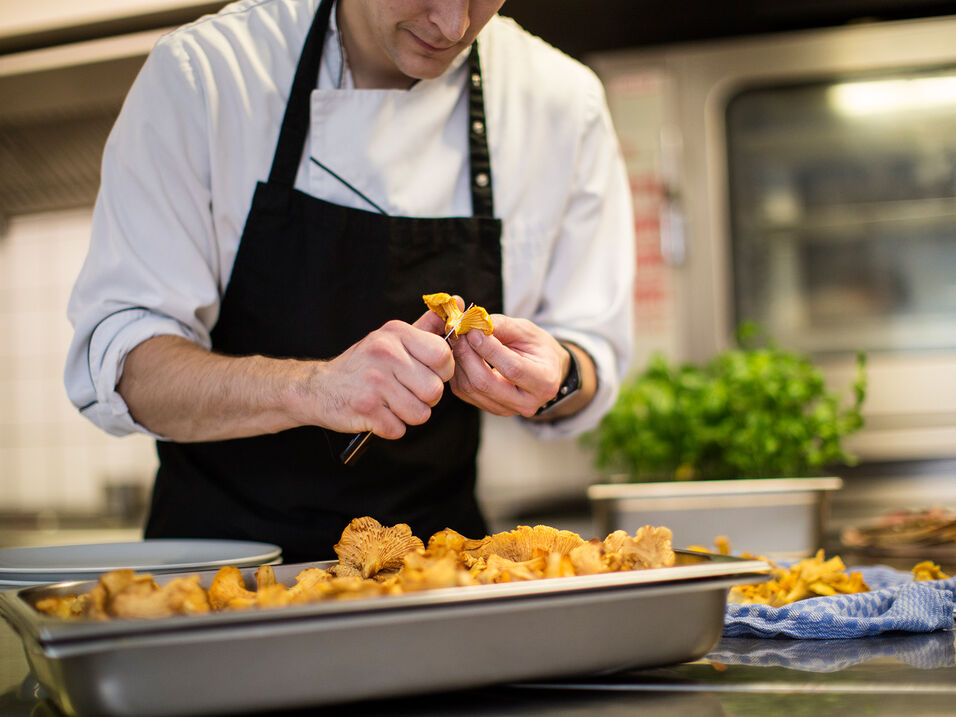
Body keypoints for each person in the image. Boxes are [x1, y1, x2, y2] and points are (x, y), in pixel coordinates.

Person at [65, 0, 634, 562]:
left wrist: (556, 375)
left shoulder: (561, 102)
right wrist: (314, 389)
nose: (454, 24)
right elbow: (129, 370)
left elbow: (590, 358)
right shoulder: (209, 75)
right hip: (215, 581)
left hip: (438, 577)